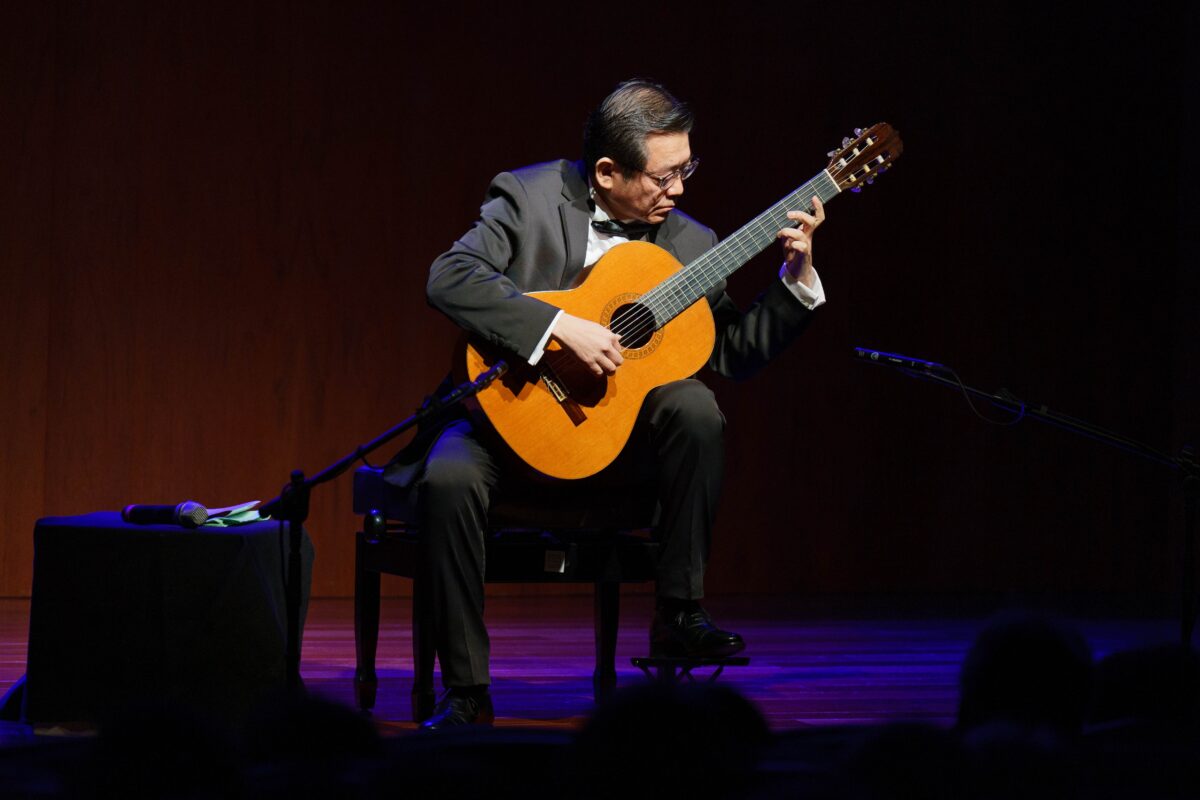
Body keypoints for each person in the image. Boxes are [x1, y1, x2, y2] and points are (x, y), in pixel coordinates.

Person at [388, 79, 828, 730]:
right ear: (606, 171)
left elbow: (732, 353)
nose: (679, 189)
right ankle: (467, 695)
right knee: (449, 476)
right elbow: (449, 278)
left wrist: (794, 285)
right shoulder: (527, 197)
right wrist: (557, 329)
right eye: (665, 175)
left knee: (697, 408)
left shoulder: (691, 242)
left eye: (687, 169)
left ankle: (679, 616)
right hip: (506, 421)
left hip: (614, 446)